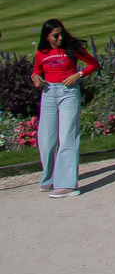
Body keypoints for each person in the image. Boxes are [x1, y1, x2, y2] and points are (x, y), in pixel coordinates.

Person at [32, 19, 99, 197]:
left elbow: (93, 64)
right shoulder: (41, 52)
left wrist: (78, 74)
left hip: (67, 92)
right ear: (47, 37)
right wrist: (36, 77)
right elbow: (37, 70)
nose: (60, 37)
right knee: (46, 138)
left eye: (61, 33)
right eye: (55, 35)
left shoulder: (72, 48)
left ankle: (68, 184)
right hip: (48, 93)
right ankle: (50, 178)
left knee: (67, 135)